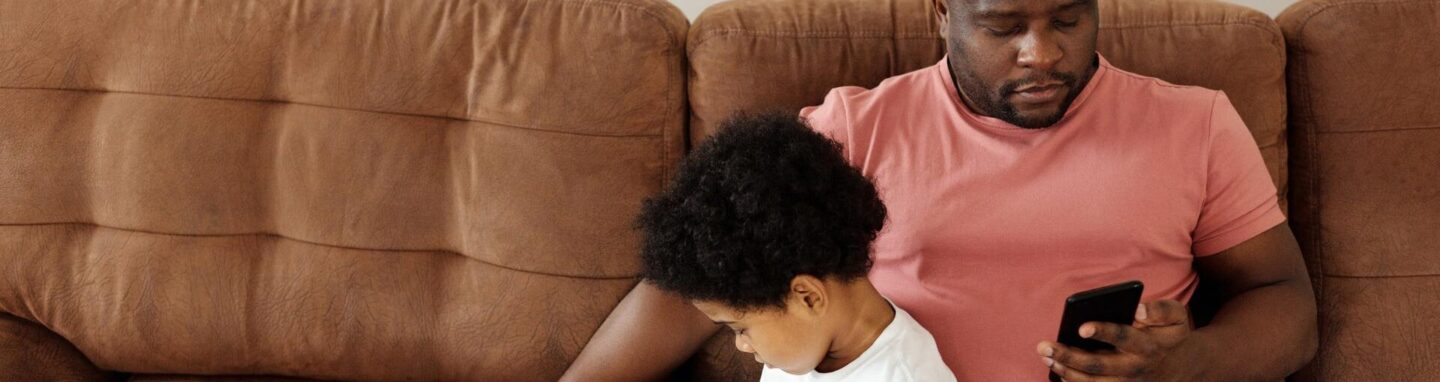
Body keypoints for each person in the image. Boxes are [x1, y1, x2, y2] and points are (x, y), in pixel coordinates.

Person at [563, 0, 1317, 380]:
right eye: (1003, 24)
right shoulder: (854, 129)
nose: (1042, 52)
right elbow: (704, 275)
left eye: (1069, 18)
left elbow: (1286, 299)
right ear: (940, 12)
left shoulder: (1193, 124)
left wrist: (1192, 364)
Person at [635, 113, 957, 382]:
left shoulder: (905, 374)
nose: (742, 345)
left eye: (741, 329)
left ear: (807, 297)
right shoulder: (803, 342)